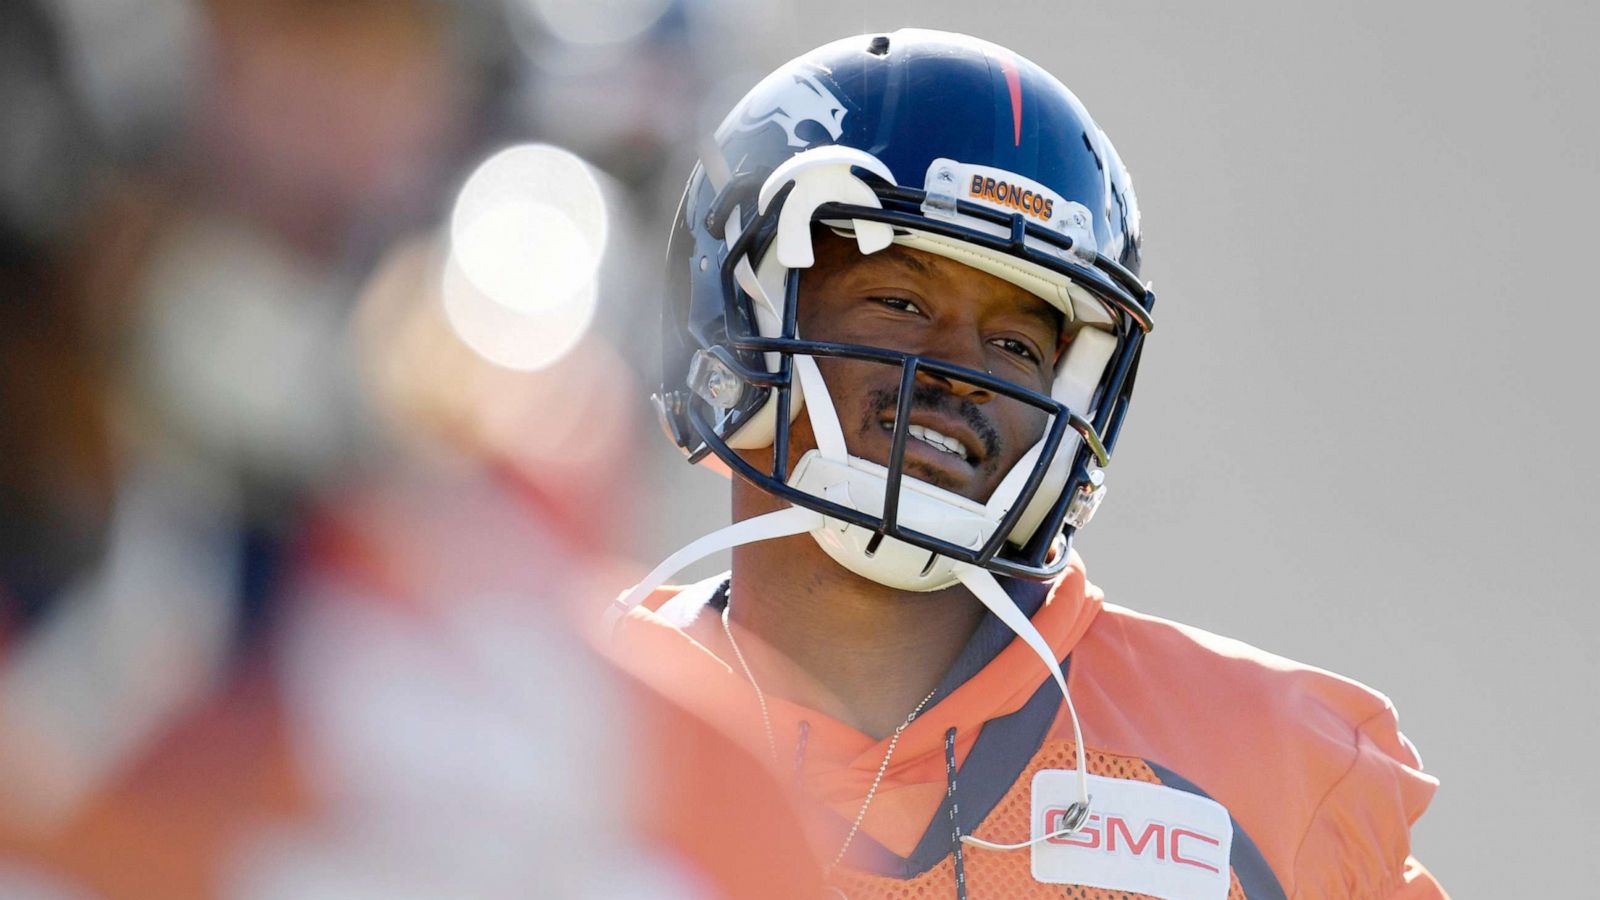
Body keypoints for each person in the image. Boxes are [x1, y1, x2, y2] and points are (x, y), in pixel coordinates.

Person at [607, 29, 1444, 899]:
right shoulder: (540, 714)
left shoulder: (1282, 774)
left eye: (1013, 343)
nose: (957, 370)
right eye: (899, 301)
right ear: (738, 317)